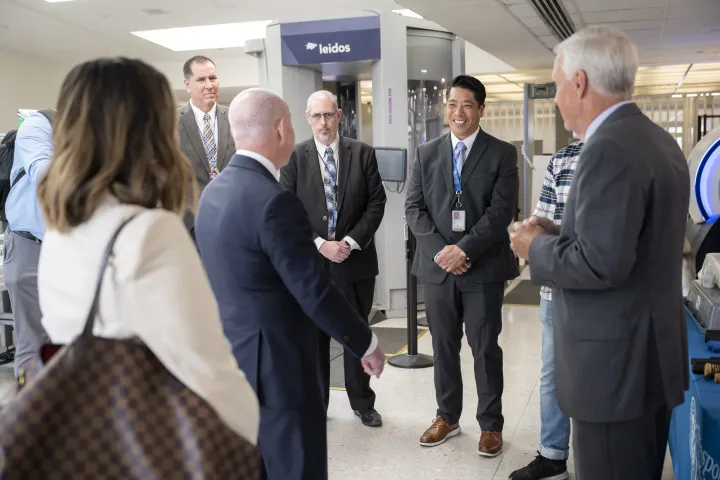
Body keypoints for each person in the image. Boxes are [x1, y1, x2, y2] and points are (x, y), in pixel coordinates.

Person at [36, 57, 259, 445]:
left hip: (85, 439)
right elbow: (212, 377)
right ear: (146, 133)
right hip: (148, 442)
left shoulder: (60, 227)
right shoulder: (150, 233)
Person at [510, 26, 690, 480]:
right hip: (649, 361)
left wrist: (534, 247)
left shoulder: (605, 148)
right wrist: (557, 230)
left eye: (556, 85)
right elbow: (630, 240)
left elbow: (600, 263)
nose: (554, 99)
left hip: (612, 374)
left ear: (580, 83)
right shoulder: (658, 141)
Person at [194, 88, 386, 480]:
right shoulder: (273, 201)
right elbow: (314, 291)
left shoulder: (212, 194)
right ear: (281, 128)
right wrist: (364, 341)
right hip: (280, 373)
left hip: (233, 364)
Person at [405, 75, 519, 456]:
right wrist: (442, 251)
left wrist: (464, 250)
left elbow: (501, 211)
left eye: (467, 105)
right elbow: (413, 208)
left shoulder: (502, 153)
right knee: (443, 345)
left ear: (481, 110)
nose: (458, 112)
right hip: (438, 268)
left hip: (482, 267)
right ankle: (447, 416)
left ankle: (491, 425)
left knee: (484, 346)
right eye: (452, 104)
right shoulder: (425, 153)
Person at [279, 90, 387, 427]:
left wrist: (351, 242)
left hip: (355, 262)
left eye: (329, 115)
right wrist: (320, 244)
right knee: (314, 339)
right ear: (307, 119)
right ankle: (317, 404)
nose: (323, 123)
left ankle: (362, 402)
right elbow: (286, 210)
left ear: (339, 115)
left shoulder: (363, 153)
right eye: (317, 116)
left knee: (355, 330)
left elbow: (376, 203)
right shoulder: (294, 158)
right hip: (312, 265)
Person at [509, 140, 583, 480]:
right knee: (553, 374)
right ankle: (553, 458)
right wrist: (535, 228)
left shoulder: (622, 152)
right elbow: (546, 216)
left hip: (602, 295)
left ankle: (602, 456)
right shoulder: (562, 159)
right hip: (556, 291)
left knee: (601, 376)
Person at [3, 109, 54, 377]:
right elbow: (42, 171)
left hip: (70, 251)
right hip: (29, 246)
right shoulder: (39, 124)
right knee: (32, 344)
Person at [178, 55, 235, 239]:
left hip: (233, 221)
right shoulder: (170, 123)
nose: (209, 85)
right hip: (190, 226)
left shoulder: (236, 118)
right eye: (201, 79)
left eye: (213, 78)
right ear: (187, 85)